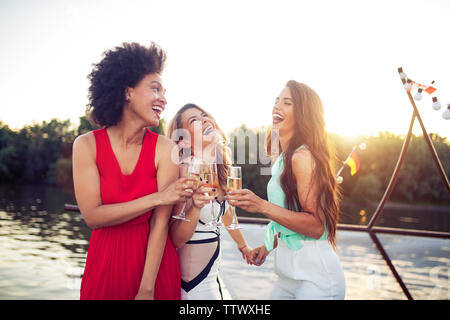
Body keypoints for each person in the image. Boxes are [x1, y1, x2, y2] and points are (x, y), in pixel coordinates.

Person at [73, 42, 194, 300]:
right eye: (155, 88)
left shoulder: (165, 148)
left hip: (153, 267)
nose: (163, 98)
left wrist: (146, 288)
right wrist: (157, 198)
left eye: (164, 91)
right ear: (127, 92)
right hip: (104, 264)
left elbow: (160, 223)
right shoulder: (85, 145)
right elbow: (93, 216)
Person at [227, 80, 346, 300]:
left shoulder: (303, 157)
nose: (277, 106)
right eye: (276, 101)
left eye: (287, 102)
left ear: (303, 114)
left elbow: (316, 226)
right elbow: (289, 216)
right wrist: (267, 246)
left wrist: (262, 206)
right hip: (287, 278)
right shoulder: (283, 158)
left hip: (316, 280)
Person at [167, 103, 253, 300]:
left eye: (204, 115)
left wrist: (243, 246)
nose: (204, 119)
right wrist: (195, 208)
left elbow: (227, 213)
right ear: (185, 141)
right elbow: (175, 239)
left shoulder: (218, 170)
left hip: (212, 278)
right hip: (191, 286)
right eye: (194, 120)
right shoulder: (184, 170)